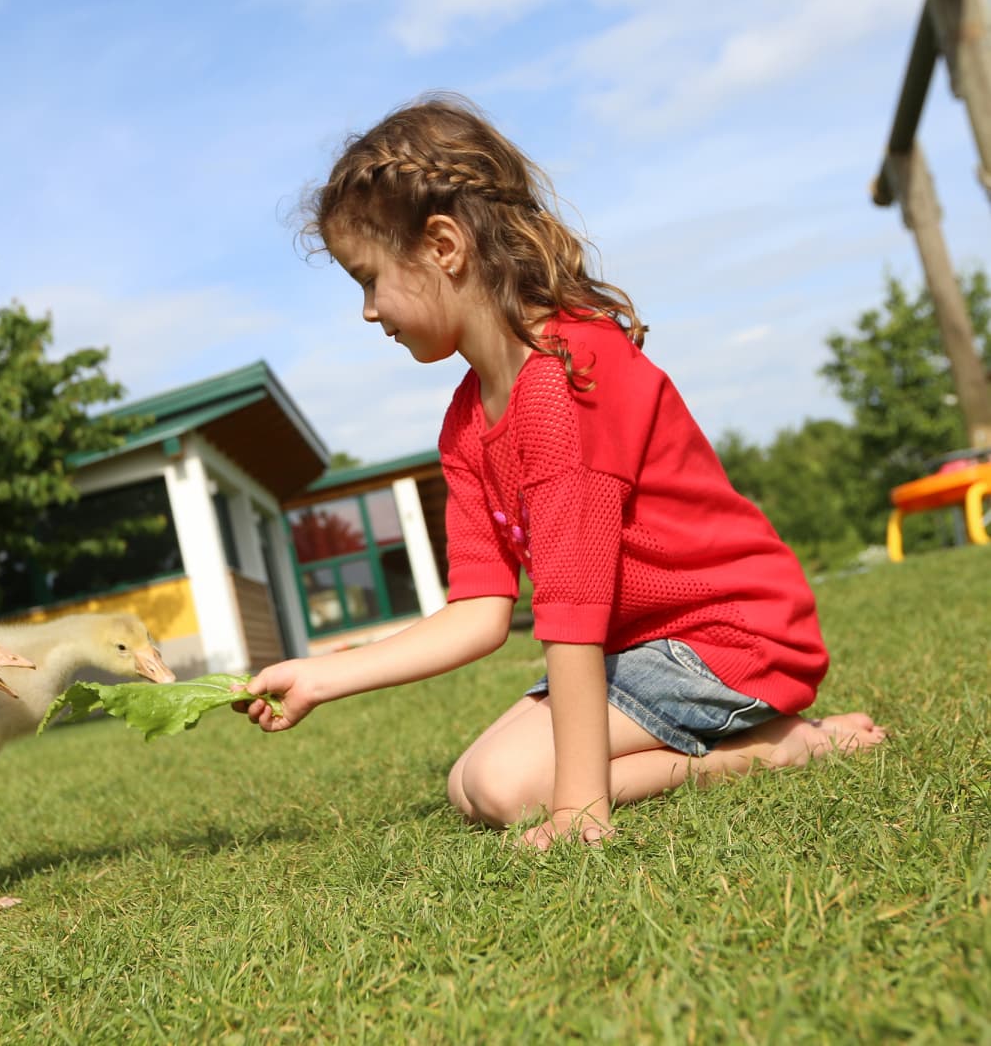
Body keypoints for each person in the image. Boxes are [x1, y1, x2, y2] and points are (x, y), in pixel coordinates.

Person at [238, 94, 886, 849]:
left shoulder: (566, 380)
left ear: (443, 246)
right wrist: (322, 676)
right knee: (470, 782)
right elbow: (479, 612)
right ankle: (757, 744)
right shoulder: (466, 422)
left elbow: (573, 612)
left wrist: (580, 810)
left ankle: (778, 749)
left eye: (368, 279)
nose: (369, 311)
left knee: (504, 786)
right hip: (641, 652)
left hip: (732, 640)